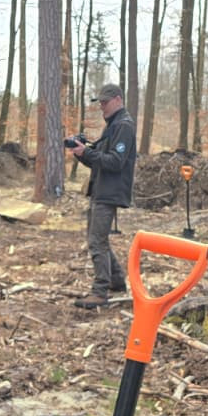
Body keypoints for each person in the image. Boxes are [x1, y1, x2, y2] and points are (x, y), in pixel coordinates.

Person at [68, 83, 137, 309]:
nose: (102, 107)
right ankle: (116, 281)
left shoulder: (123, 126)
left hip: (109, 192)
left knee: (96, 241)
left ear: (118, 100)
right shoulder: (114, 125)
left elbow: (115, 162)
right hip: (101, 189)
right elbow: (99, 160)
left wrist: (88, 152)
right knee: (98, 238)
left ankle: (100, 291)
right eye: (100, 103)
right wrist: (82, 153)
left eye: (105, 102)